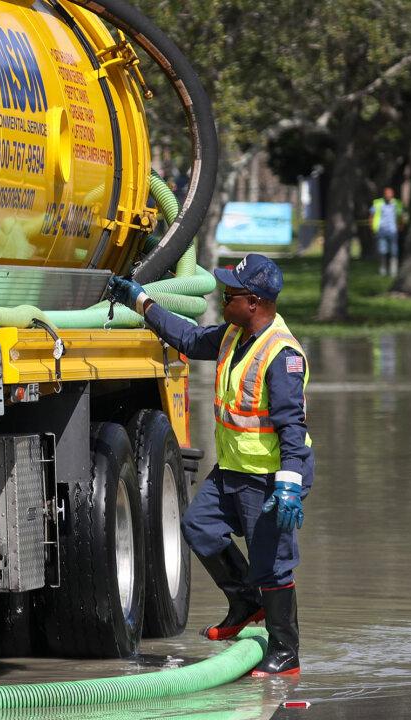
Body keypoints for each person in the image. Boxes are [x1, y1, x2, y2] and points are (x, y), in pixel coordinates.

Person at [108, 254, 313, 677]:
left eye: (230, 294)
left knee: (272, 564)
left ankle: (286, 652)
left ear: (253, 302)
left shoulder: (282, 354)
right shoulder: (232, 336)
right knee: (198, 527)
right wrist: (141, 302)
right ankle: (245, 601)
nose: (222, 298)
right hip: (234, 470)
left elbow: (292, 425)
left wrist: (290, 484)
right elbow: (186, 336)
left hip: (270, 477)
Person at [370, 187, 406, 277]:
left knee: (394, 251)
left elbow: (401, 216)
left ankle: (393, 271)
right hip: (381, 230)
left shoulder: (397, 204)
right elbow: (372, 215)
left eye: (389, 194)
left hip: (393, 230)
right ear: (384, 194)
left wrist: (401, 226)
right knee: (382, 250)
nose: (388, 195)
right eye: (386, 194)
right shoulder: (378, 203)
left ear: (392, 194)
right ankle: (383, 270)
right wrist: (372, 227)